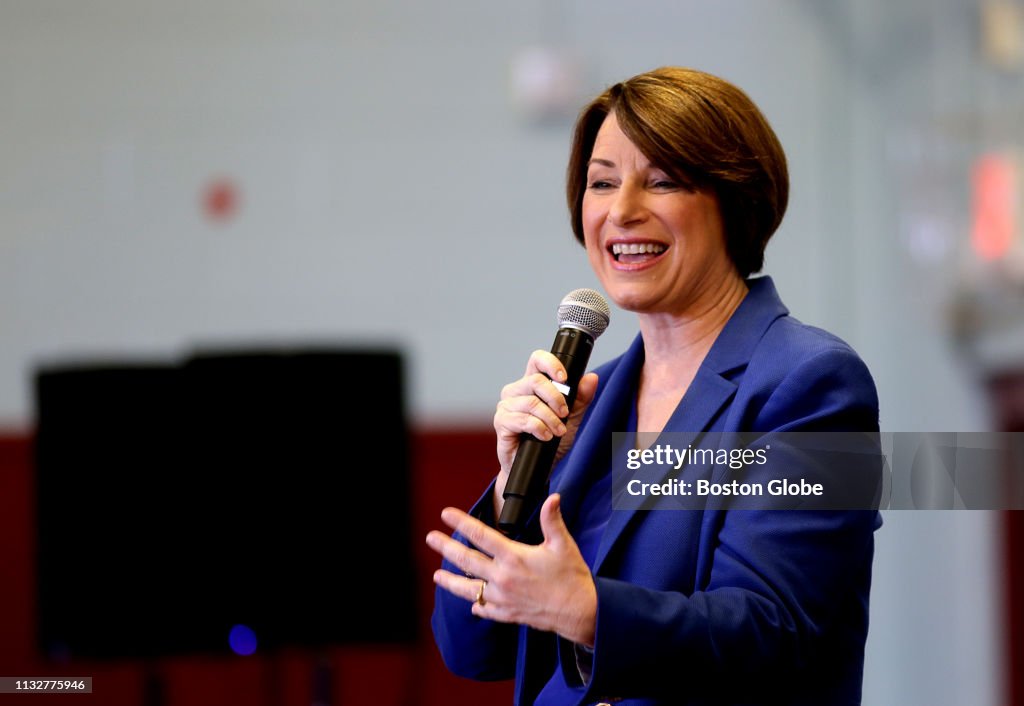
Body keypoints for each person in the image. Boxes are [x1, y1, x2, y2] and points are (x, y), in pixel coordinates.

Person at [426, 66, 881, 706]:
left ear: (735, 198)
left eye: (662, 181)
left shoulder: (814, 384)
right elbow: (471, 651)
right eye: (601, 183)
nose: (621, 211)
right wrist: (514, 490)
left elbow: (776, 633)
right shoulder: (590, 401)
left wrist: (588, 613)